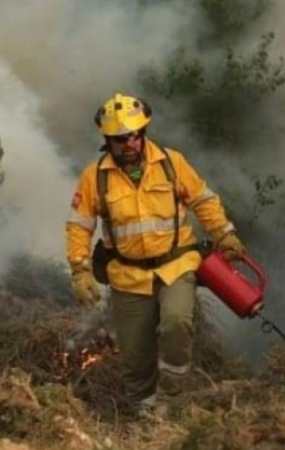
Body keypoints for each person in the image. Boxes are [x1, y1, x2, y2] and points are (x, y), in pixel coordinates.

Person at [65, 92, 247, 412]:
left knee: (177, 321)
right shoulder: (95, 178)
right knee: (135, 356)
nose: (128, 144)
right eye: (119, 139)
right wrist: (80, 271)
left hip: (176, 264)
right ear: (108, 140)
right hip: (127, 275)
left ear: (143, 132)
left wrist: (225, 235)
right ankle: (146, 416)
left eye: (133, 135)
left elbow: (203, 201)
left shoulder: (171, 163)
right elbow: (79, 226)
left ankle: (174, 391)